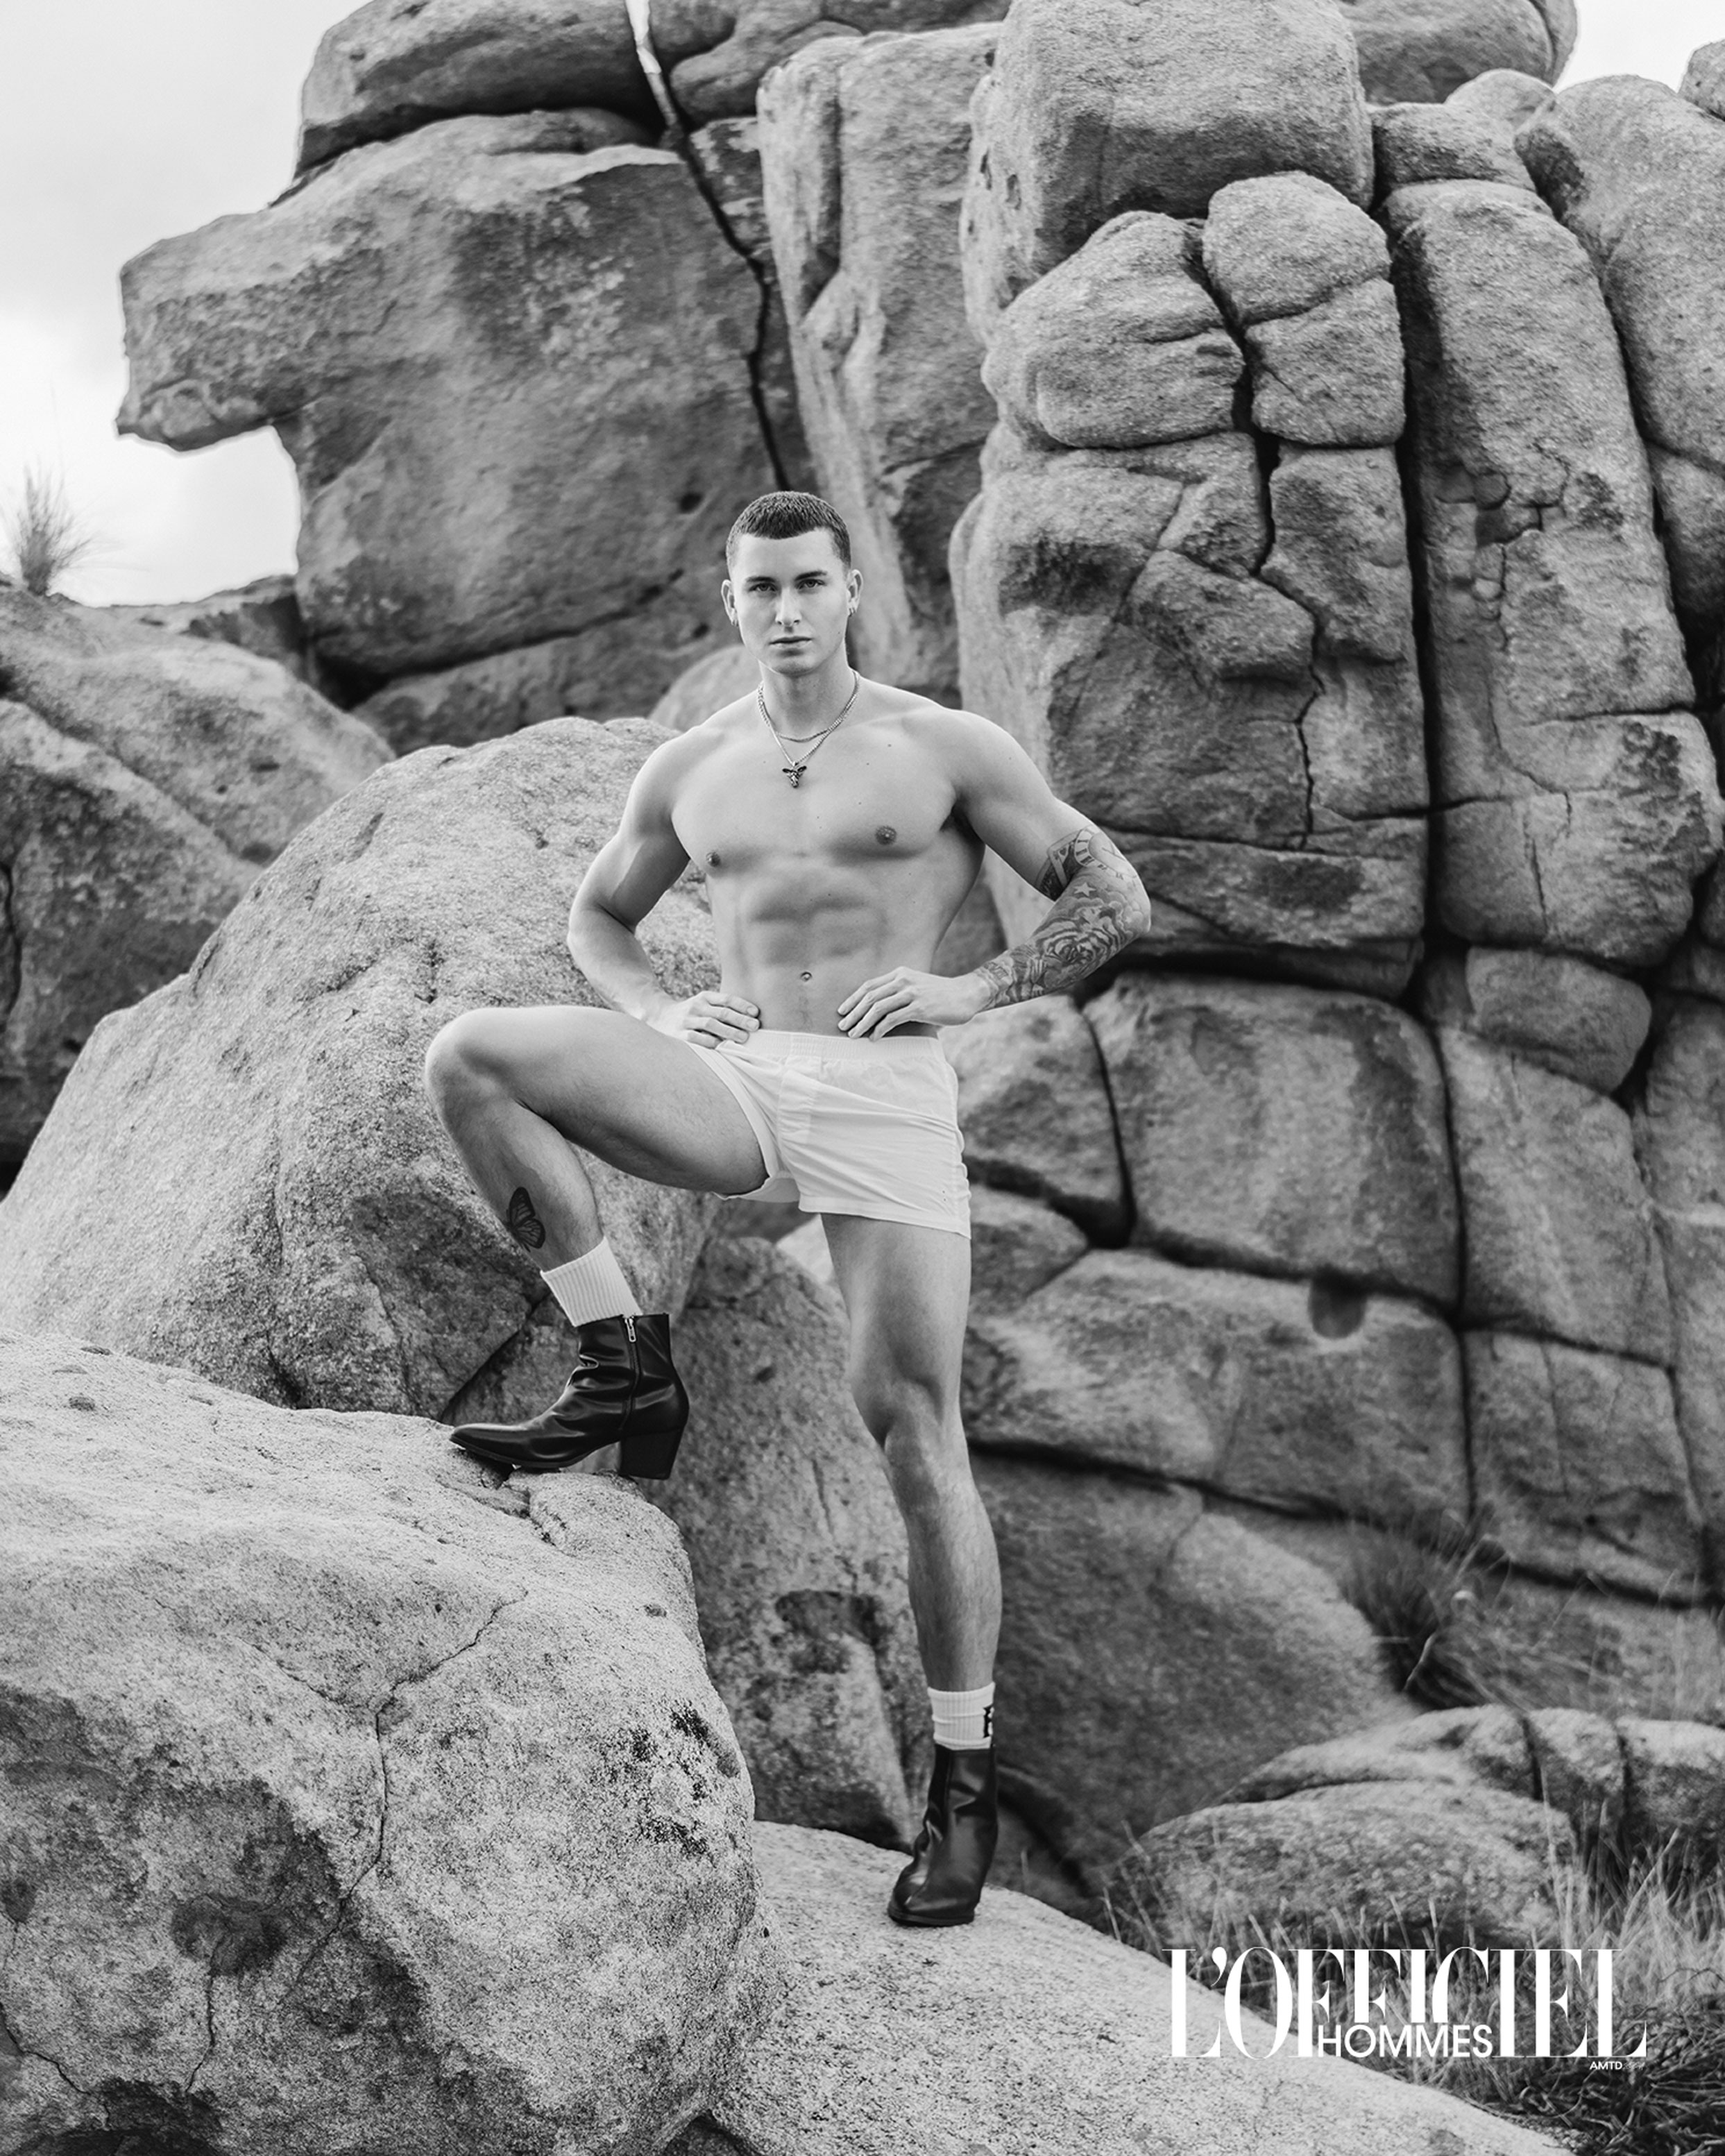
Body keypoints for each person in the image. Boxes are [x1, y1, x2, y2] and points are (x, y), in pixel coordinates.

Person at [423, 490, 1151, 1927]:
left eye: (810, 583)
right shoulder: (692, 766)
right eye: (761, 589)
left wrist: (973, 985)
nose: (787, 611)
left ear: (850, 590)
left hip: (886, 1096)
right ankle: (621, 1364)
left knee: (915, 1429)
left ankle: (960, 1788)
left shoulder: (944, 748)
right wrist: (654, 1007)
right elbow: (597, 918)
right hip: (741, 1078)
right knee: (472, 1058)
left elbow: (1111, 896)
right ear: (731, 599)